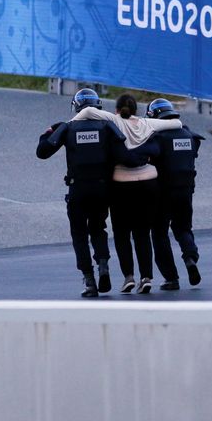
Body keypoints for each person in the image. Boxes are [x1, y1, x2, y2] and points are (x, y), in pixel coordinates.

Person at [72, 93, 182, 294]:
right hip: (149, 183)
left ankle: (128, 277)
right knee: (142, 233)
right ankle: (146, 277)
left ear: (117, 109)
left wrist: (69, 125)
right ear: (136, 110)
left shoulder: (113, 120)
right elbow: (177, 124)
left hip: (122, 184)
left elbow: (88, 111)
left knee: (122, 234)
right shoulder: (147, 123)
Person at [36, 88, 127, 298]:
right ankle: (103, 265)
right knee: (98, 228)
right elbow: (123, 153)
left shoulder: (68, 128)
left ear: (76, 107)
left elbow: (42, 152)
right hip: (102, 187)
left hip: (78, 188)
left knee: (79, 234)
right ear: (98, 106)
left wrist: (49, 131)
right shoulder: (107, 126)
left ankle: (89, 280)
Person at [146, 98, 205, 290]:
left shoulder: (158, 137)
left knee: (159, 233)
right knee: (183, 228)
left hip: (162, 193)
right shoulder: (189, 135)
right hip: (186, 190)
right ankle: (190, 258)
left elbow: (146, 155)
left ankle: (171, 278)